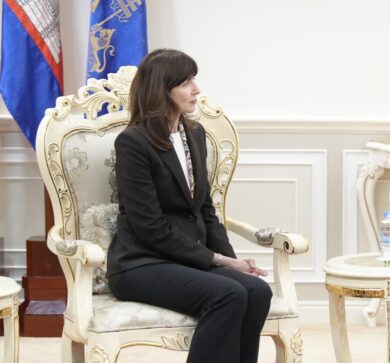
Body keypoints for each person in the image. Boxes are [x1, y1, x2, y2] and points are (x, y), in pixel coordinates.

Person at [106, 48, 272, 363]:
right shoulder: (133, 142)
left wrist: (233, 262)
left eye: (193, 80)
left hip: (185, 260)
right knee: (228, 294)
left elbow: (205, 210)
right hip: (140, 263)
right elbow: (149, 227)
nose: (196, 89)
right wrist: (219, 261)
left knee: (256, 290)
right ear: (161, 90)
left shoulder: (194, 134)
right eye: (185, 83)